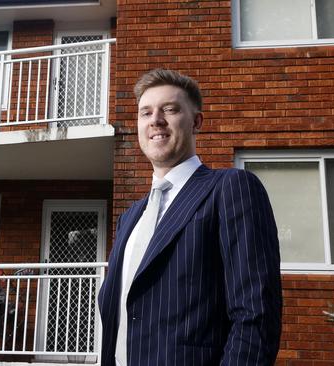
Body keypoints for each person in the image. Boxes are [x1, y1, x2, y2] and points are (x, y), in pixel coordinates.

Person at [98, 69, 282, 365]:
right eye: (146, 113)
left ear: (196, 121)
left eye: (169, 109)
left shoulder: (230, 189)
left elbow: (256, 314)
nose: (155, 120)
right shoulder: (131, 217)